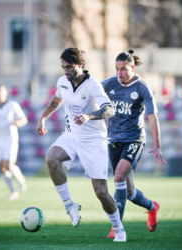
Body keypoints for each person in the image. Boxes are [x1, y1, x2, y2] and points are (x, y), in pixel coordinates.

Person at [37, 48, 126, 242]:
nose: (65, 71)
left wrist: (89, 116)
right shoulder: (63, 82)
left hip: (95, 142)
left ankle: (118, 228)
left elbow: (109, 110)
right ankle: (70, 206)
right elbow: (58, 98)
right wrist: (43, 118)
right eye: (63, 67)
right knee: (51, 158)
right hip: (72, 137)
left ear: (80, 65)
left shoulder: (92, 85)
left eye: (69, 67)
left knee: (101, 192)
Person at [101, 50, 166, 238]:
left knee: (119, 176)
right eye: (117, 69)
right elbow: (91, 92)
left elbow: (153, 117)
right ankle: (152, 207)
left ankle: (116, 227)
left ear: (132, 67)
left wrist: (158, 145)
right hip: (113, 140)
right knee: (128, 191)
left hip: (134, 139)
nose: (120, 73)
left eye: (123, 69)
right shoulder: (109, 83)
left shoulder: (143, 87)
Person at [0, 85, 28, 200]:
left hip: (10, 138)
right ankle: (13, 192)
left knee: (9, 165)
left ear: (6, 92)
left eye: (1, 91)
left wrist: (18, 123)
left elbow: (24, 119)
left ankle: (21, 179)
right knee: (2, 168)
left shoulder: (12, 105)